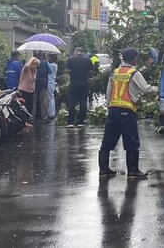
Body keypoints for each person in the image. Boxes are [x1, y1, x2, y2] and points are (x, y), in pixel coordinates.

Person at [98, 48, 158, 179]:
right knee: (131, 141)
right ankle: (133, 171)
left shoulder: (115, 72)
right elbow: (146, 89)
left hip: (113, 110)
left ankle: (103, 170)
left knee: (107, 141)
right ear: (133, 59)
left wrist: (110, 106)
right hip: (127, 111)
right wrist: (158, 89)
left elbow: (109, 92)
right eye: (137, 57)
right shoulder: (134, 73)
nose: (138, 59)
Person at [65, 47, 93, 128]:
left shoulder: (70, 60)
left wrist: (72, 71)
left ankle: (70, 122)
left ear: (75, 52)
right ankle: (81, 121)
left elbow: (66, 70)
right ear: (82, 52)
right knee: (83, 101)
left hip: (74, 83)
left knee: (72, 102)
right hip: (84, 83)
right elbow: (91, 72)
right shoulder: (88, 60)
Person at [33, 52, 51, 121]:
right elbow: (50, 71)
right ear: (42, 56)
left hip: (34, 83)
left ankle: (32, 117)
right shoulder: (45, 63)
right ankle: (44, 117)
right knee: (43, 101)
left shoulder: (33, 63)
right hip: (43, 84)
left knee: (33, 101)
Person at [47, 53, 59, 121]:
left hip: (50, 83)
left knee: (50, 99)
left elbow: (47, 65)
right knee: (51, 98)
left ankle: (51, 113)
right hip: (52, 83)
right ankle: (52, 112)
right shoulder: (55, 65)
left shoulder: (52, 65)